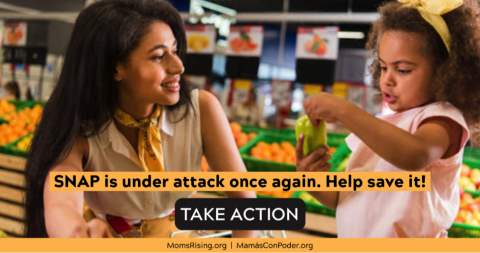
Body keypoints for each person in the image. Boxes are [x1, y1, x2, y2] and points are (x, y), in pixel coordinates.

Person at [24, 0, 257, 238]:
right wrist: (75, 233)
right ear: (115, 68)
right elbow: (60, 203)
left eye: (175, 51)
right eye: (158, 56)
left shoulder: (202, 111)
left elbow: (245, 200)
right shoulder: (80, 127)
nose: (178, 66)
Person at [296, 0, 480, 237]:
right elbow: (347, 200)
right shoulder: (385, 127)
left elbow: (415, 154)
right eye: (383, 67)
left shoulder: (442, 119)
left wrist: (345, 110)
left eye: (402, 70)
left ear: (444, 72)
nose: (387, 79)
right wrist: (312, 180)